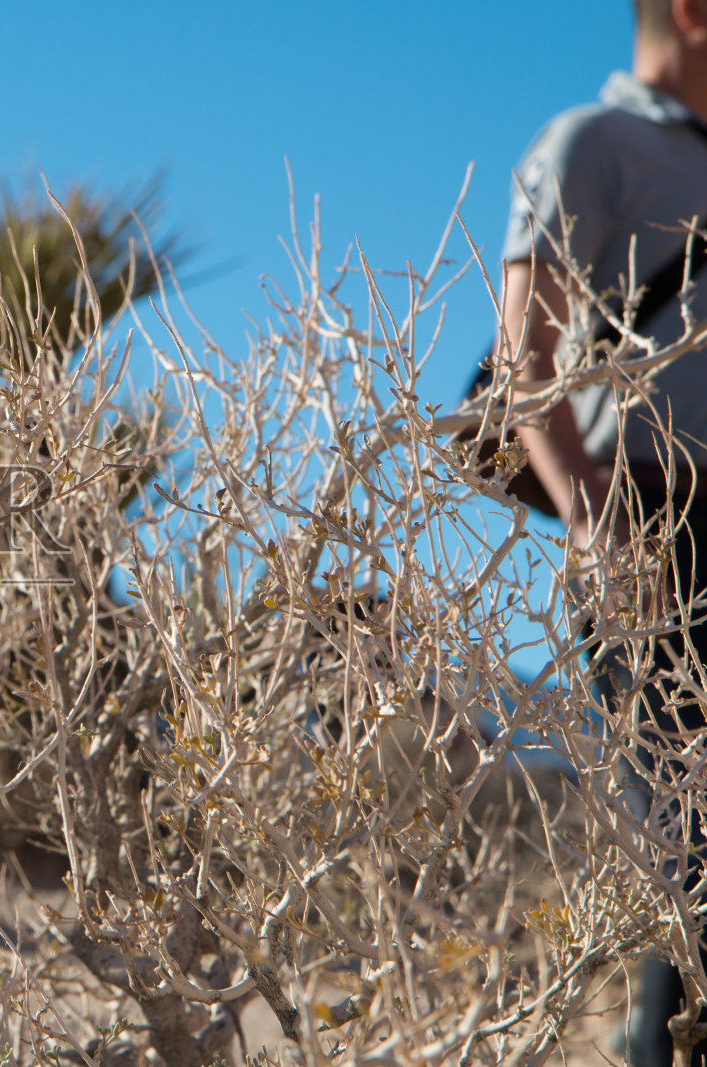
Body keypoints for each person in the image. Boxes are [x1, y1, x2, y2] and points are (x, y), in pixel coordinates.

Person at [495, 3, 707, 1064]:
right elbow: (525, 356)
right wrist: (592, 521)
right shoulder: (590, 142)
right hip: (646, 518)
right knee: (685, 832)